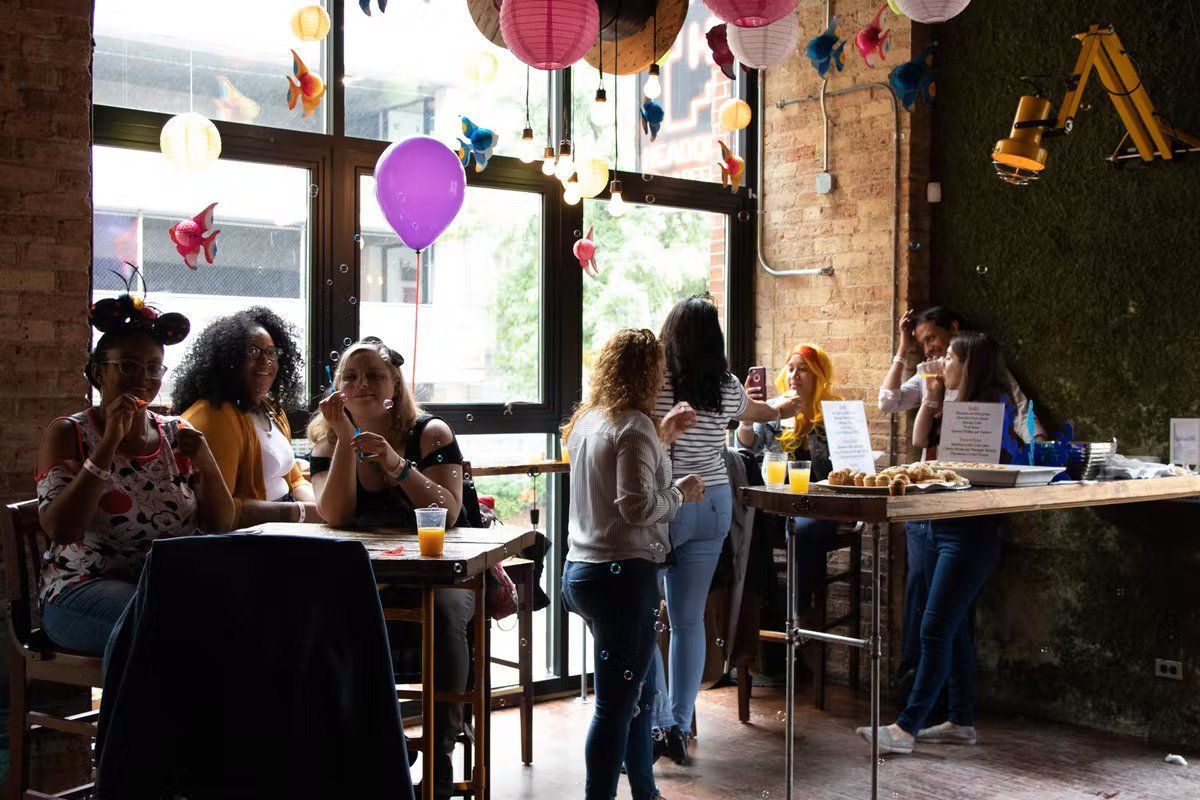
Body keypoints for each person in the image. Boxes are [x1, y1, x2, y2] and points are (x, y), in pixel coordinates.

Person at [307, 337, 467, 800]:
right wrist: (345, 439)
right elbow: (334, 515)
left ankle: (440, 751)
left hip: (443, 572)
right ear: (338, 389)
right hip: (373, 576)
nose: (362, 384)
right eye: (351, 376)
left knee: (445, 613)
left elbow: (448, 513)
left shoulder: (430, 433)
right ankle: (377, 744)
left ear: (395, 384)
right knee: (324, 616)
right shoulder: (327, 440)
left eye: (375, 375)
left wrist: (396, 463)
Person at [35, 293, 235, 656]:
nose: (143, 378)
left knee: (244, 610)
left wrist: (206, 461)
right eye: (127, 365)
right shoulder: (70, 433)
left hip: (166, 585)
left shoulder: (177, 433)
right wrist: (109, 442)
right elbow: (62, 529)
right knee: (169, 623)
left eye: (154, 367)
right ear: (98, 372)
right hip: (81, 589)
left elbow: (220, 525)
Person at [650, 297, 804, 765]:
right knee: (687, 621)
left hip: (672, 502)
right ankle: (679, 726)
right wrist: (784, 406)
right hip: (715, 501)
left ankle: (658, 723)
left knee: (645, 619)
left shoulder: (658, 383)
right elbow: (758, 413)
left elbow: (642, 434)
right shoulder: (725, 384)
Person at [561, 328, 703, 800]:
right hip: (621, 577)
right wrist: (681, 492)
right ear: (646, 374)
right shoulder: (635, 425)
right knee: (615, 707)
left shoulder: (589, 420)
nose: (663, 379)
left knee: (639, 694)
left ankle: (646, 791)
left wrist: (664, 436)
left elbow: (618, 478)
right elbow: (637, 507)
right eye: (658, 369)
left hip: (581, 572)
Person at [859, 332, 1010, 754]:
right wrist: (931, 397)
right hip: (942, 524)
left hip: (971, 530)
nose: (942, 362)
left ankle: (906, 728)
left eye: (951, 358)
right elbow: (919, 441)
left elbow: (990, 462)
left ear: (969, 365)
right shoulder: (950, 401)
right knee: (954, 627)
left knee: (935, 626)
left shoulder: (993, 410)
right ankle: (960, 720)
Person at [877, 305, 1042, 691]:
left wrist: (1040, 451)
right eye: (922, 343)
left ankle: (943, 700)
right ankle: (916, 682)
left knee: (948, 608)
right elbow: (888, 402)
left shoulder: (985, 372)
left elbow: (1022, 413)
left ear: (953, 329)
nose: (929, 350)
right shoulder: (930, 374)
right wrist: (905, 353)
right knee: (922, 594)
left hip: (965, 505)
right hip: (929, 500)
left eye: (933, 339)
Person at [173, 307, 319, 527]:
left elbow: (294, 478)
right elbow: (221, 514)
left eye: (271, 352)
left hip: (284, 522)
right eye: (253, 351)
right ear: (228, 360)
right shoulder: (216, 416)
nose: (265, 360)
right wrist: (301, 513)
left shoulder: (271, 409)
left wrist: (321, 508)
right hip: (248, 535)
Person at [737, 343, 842, 618]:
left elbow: (847, 463)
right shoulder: (775, 409)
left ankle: (799, 614)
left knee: (801, 530)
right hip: (777, 503)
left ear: (818, 374)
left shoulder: (834, 412)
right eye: (791, 368)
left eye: (803, 369)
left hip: (821, 505)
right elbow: (747, 446)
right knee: (746, 525)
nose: (794, 375)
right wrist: (747, 415)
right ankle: (761, 606)